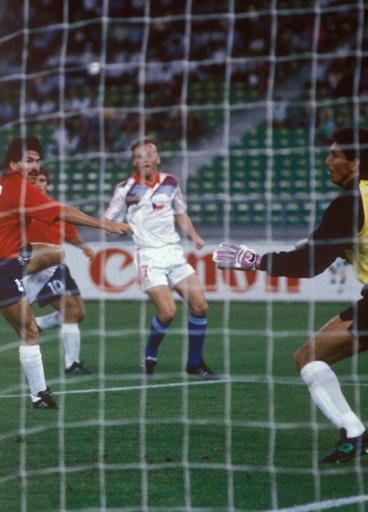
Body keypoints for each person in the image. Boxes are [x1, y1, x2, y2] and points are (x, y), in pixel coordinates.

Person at [0, 136, 132, 409]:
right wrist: (106, 225)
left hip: (3, 261)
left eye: (37, 160)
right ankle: (39, 394)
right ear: (13, 164)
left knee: (55, 253)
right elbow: (63, 211)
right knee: (29, 331)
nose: (35, 166)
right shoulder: (18, 188)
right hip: (0, 271)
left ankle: (27, 291)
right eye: (28, 160)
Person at [213, 127, 368, 464]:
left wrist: (254, 260)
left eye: (334, 154)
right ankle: (354, 433)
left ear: (355, 163)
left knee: (309, 357)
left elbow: (308, 265)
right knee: (310, 354)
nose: (327, 161)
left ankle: (354, 432)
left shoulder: (348, 204)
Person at [104, 136, 217, 379]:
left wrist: (195, 236)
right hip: (149, 256)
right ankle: (150, 353)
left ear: (157, 158)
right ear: (134, 162)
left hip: (174, 253)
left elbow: (180, 213)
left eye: (149, 154)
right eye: (139, 156)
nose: (144, 160)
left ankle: (194, 363)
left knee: (200, 306)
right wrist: (117, 227)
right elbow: (107, 221)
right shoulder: (125, 189)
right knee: (167, 312)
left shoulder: (171, 182)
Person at [27, 167, 94, 375]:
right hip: (39, 267)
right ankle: (71, 364)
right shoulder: (25, 210)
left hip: (59, 266)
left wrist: (82, 246)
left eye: (42, 180)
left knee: (79, 313)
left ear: (48, 184)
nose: (38, 184)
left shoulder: (56, 209)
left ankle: (38, 324)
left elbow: (69, 233)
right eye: (34, 181)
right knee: (70, 310)